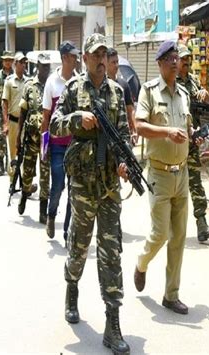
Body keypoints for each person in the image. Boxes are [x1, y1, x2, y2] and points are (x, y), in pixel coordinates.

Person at [50, 33, 130, 355]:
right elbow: (54, 126)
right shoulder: (72, 90)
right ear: (84, 58)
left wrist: (125, 163)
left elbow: (124, 134)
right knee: (79, 248)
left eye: (104, 54)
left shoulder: (117, 92)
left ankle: (113, 324)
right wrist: (75, 118)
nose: (100, 59)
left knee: (112, 253)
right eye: (95, 55)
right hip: (82, 186)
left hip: (110, 186)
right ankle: (71, 286)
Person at [133, 40, 194, 315]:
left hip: (182, 173)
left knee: (179, 237)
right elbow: (139, 125)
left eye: (176, 57)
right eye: (169, 58)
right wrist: (167, 132)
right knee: (160, 235)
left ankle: (171, 294)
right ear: (159, 63)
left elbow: (187, 129)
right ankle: (142, 263)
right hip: (159, 172)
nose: (174, 62)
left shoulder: (183, 94)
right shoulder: (148, 91)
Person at [176, 44, 209, 242]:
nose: (186, 63)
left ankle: (202, 225)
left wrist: (205, 94)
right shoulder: (171, 82)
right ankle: (169, 227)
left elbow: (203, 97)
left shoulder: (193, 81)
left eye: (188, 60)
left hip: (192, 142)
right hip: (174, 142)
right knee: (172, 186)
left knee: (195, 184)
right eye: (183, 59)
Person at [41, 40, 79, 241]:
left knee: (74, 189)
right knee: (58, 186)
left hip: (75, 146)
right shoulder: (51, 82)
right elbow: (46, 116)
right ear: (64, 58)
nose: (76, 60)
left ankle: (67, 231)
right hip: (56, 145)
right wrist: (43, 146)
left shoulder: (78, 81)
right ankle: (51, 214)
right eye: (73, 56)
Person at [16, 54, 51, 224]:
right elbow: (23, 111)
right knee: (27, 172)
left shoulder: (52, 85)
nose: (46, 69)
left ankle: (43, 211)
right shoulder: (29, 85)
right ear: (38, 66)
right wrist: (18, 136)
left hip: (46, 139)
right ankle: (24, 195)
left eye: (48, 66)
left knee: (45, 175)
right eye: (43, 66)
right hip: (30, 138)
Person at [2, 52, 30, 181]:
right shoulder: (9, 81)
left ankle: (25, 184)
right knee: (13, 152)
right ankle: (12, 181)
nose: (23, 65)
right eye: (21, 62)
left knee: (25, 153)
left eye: (25, 63)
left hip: (26, 123)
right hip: (13, 122)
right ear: (15, 64)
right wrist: (6, 123)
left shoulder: (29, 82)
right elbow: (5, 103)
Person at [106, 47, 138, 145]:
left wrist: (134, 130)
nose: (116, 65)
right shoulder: (102, 84)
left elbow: (130, 109)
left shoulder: (123, 84)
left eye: (117, 62)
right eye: (113, 62)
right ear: (106, 63)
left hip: (122, 134)